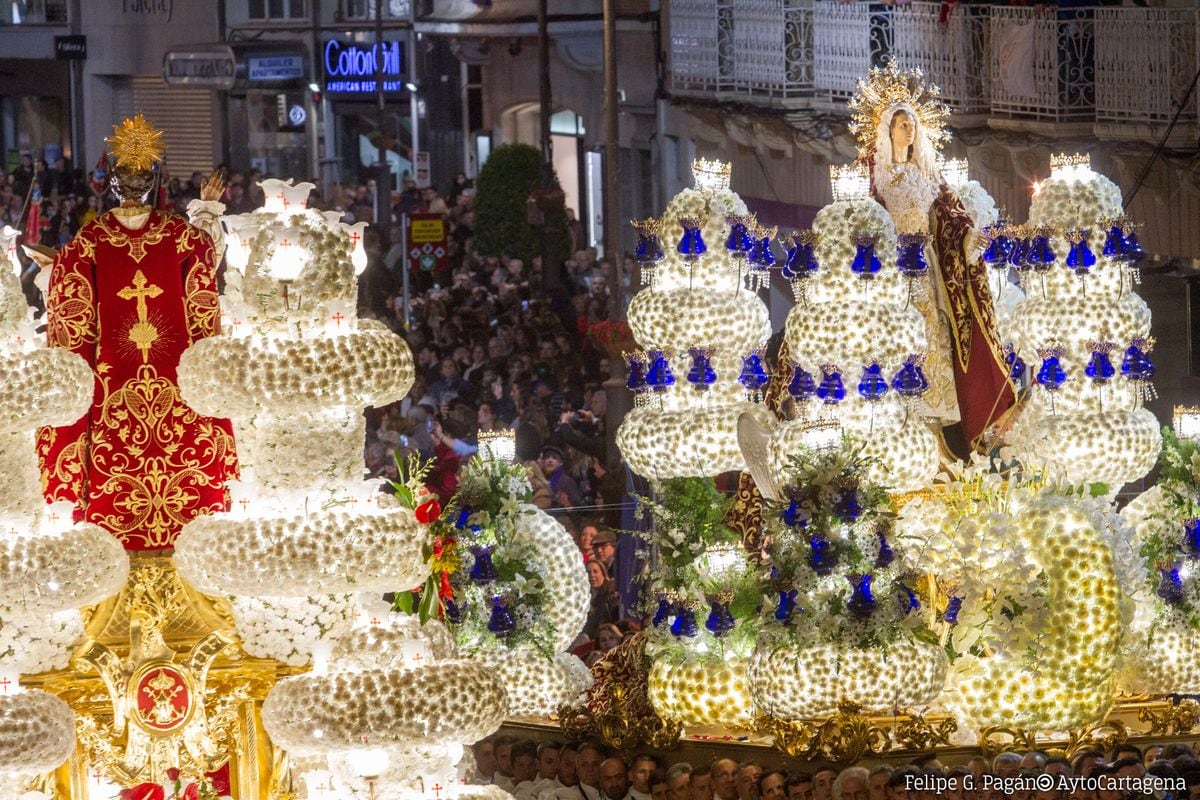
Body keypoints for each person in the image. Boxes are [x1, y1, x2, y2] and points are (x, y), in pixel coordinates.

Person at [37, 115, 237, 550]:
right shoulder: (180, 236)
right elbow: (205, 269)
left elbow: (71, 328)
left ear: (111, 185)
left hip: (111, 393)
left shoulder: (88, 242)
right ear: (153, 182)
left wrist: (51, 272)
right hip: (177, 392)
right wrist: (205, 209)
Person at [855, 64, 1013, 453]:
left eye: (912, 124)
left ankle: (934, 435)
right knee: (893, 342)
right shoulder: (870, 176)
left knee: (933, 340)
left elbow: (953, 222)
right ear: (887, 129)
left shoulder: (931, 178)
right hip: (889, 272)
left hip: (926, 272)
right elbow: (858, 221)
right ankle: (898, 427)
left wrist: (970, 238)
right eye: (900, 124)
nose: (908, 130)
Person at [584, 560, 620, 639]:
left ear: (603, 573)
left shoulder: (611, 588)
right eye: (588, 573)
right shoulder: (584, 596)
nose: (592, 575)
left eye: (595, 572)